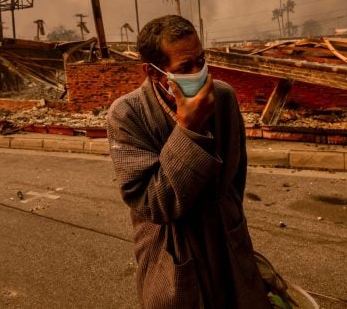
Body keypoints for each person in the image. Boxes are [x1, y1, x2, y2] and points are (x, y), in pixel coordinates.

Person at [107, 15, 270, 308]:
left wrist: (229, 216)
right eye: (185, 67)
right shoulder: (127, 114)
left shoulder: (223, 96)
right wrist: (189, 130)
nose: (198, 72)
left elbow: (236, 177)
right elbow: (154, 203)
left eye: (201, 60)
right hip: (171, 245)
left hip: (225, 235)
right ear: (154, 72)